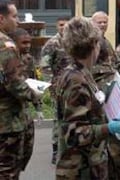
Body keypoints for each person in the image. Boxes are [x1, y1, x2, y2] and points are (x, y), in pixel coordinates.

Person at [55, 16, 120, 179]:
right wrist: (110, 128)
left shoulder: (79, 72)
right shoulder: (76, 80)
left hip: (89, 164)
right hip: (81, 169)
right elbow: (75, 133)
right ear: (94, 45)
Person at [0, 0, 43, 179]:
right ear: (1, 18)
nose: (17, 21)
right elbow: (14, 83)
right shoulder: (6, 45)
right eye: (14, 16)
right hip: (8, 121)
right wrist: (35, 94)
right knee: (7, 171)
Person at [8, 28, 44, 172]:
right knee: (10, 158)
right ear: (15, 43)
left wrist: (39, 108)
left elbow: (33, 83)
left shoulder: (28, 60)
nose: (27, 46)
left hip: (24, 111)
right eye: (23, 43)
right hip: (9, 112)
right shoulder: (8, 60)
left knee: (27, 148)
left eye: (29, 42)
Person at [39, 16, 72, 164]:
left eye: (65, 25)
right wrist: (51, 84)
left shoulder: (72, 42)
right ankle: (55, 150)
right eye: (60, 25)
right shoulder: (52, 44)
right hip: (58, 87)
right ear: (56, 26)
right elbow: (45, 67)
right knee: (58, 118)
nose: (63, 27)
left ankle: (68, 147)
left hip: (72, 86)